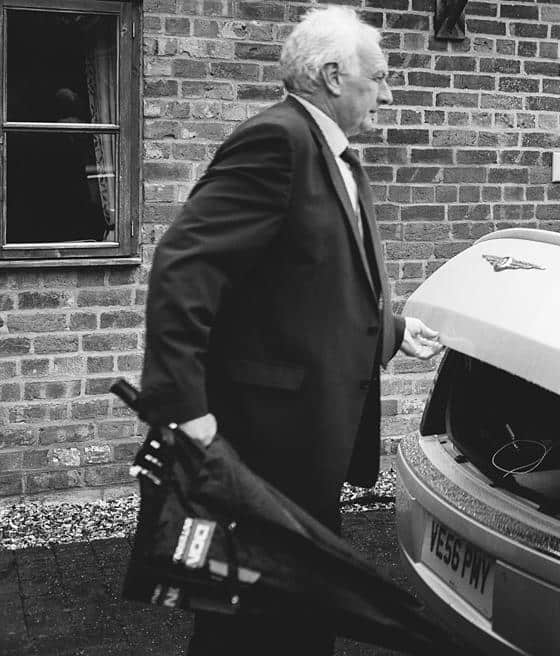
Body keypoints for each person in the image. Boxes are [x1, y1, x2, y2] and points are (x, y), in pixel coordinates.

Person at [139, 6, 443, 654]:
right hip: (263, 449)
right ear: (333, 75)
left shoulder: (333, 155)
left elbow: (301, 285)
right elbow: (183, 268)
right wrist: (187, 414)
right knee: (250, 628)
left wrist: (391, 332)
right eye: (380, 77)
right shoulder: (277, 141)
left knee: (296, 622)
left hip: (308, 450)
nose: (387, 92)